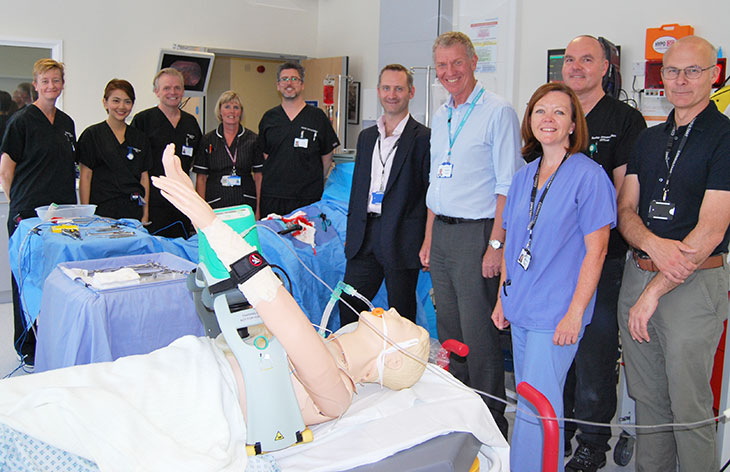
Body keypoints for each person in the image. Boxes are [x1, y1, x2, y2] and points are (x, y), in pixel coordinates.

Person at [0, 142, 431, 471]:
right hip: (181, 368)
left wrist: (206, 217)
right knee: (53, 391)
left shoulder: (337, 392)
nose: (389, 311)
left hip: (194, 398)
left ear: (380, 368)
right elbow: (264, 307)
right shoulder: (324, 349)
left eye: (398, 327)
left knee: (52, 415)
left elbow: (278, 307)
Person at [616, 35, 730, 472]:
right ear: (660, 77)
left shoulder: (724, 138)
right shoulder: (649, 138)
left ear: (713, 74)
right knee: (648, 403)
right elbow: (626, 210)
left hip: (693, 286)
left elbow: (711, 229)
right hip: (638, 274)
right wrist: (652, 245)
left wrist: (655, 291)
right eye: (671, 71)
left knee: (690, 409)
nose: (680, 80)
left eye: (692, 70)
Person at [492, 82, 615, 472]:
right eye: (541, 111)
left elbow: (597, 251)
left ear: (574, 125)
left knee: (540, 407)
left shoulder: (589, 176)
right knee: (529, 403)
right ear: (530, 120)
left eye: (560, 112)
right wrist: (502, 298)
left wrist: (576, 313)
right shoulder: (524, 176)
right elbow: (512, 243)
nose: (549, 119)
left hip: (557, 314)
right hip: (522, 307)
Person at [421, 31, 522, 438]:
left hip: (477, 234)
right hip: (443, 233)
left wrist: (496, 244)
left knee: (479, 336)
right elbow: (435, 183)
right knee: (450, 333)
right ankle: (460, 412)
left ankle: (491, 424)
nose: (449, 72)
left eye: (456, 63)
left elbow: (507, 186)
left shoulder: (498, 112)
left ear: (474, 62)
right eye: (442, 66)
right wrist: (428, 239)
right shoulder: (442, 115)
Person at [559, 35, 647, 471]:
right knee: (559, 342)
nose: (576, 67)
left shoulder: (625, 120)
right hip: (556, 260)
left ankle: (593, 442)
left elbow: (622, 191)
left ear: (606, 67)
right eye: (570, 59)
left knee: (594, 351)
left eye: (586, 60)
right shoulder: (556, 111)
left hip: (603, 257)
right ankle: (561, 428)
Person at [339, 64, 430, 325]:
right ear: (378, 91)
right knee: (349, 306)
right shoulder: (367, 137)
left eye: (399, 88)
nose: (392, 94)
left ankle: (400, 364)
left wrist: (426, 241)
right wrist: (351, 234)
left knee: (401, 314)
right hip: (364, 236)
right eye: (387, 88)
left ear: (411, 92)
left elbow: (427, 195)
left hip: (402, 238)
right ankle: (356, 362)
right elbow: (358, 190)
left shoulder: (423, 138)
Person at [0, 59, 77, 366]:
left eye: (56, 80)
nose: (51, 86)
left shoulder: (67, 123)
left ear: (62, 84)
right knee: (26, 278)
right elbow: (6, 170)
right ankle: (27, 346)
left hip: (60, 214)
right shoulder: (21, 121)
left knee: (57, 277)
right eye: (45, 81)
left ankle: (52, 341)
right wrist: (17, 203)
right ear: (35, 84)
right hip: (27, 214)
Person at [257, 62, 340, 217]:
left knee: (307, 239)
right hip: (274, 196)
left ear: (302, 85)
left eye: (294, 79)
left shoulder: (317, 117)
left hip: (308, 198)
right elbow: (266, 156)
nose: (289, 83)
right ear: (278, 85)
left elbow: (327, 157)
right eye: (285, 79)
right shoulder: (269, 118)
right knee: (273, 239)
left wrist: (312, 181)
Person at [130, 67, 201, 238]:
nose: (173, 92)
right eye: (167, 88)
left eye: (177, 88)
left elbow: (194, 160)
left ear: (183, 91)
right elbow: (134, 165)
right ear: (156, 91)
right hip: (153, 201)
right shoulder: (143, 121)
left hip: (182, 201)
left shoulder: (190, 122)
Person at [77, 79, 152, 222]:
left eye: (127, 101)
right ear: (105, 102)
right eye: (116, 101)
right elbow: (85, 176)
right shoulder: (92, 135)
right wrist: (86, 213)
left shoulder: (139, 138)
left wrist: (145, 212)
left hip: (132, 211)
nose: (122, 106)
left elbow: (144, 177)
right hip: (102, 211)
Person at [193, 91, 263, 216]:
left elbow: (258, 177)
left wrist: (258, 210)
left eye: (236, 107)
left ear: (241, 112)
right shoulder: (208, 140)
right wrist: (201, 211)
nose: (232, 111)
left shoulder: (253, 139)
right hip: (215, 203)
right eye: (227, 107)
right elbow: (201, 178)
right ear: (220, 111)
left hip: (245, 203)